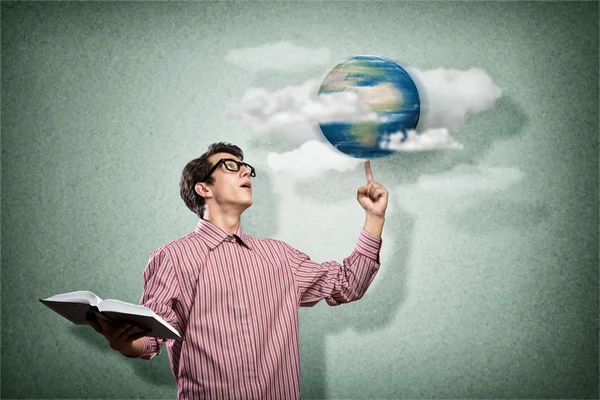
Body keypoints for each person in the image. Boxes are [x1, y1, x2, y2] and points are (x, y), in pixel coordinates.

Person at [87, 142, 389, 399]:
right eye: (231, 166)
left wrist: (374, 218)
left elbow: (348, 284)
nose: (246, 171)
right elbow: (152, 336)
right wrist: (123, 342)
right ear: (203, 187)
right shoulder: (173, 258)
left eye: (247, 168)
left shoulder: (280, 257)